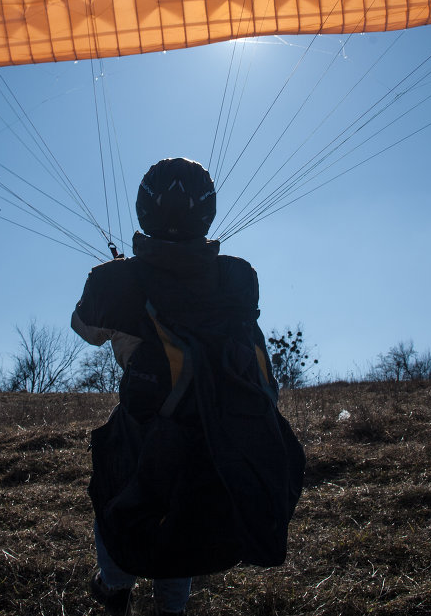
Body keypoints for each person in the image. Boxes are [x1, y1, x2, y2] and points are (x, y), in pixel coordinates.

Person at [72, 158, 304, 616]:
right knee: (184, 497)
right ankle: (170, 606)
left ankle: (115, 587)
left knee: (116, 484)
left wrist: (120, 278)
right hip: (222, 432)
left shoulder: (113, 281)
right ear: (208, 211)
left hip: (150, 429)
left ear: (143, 209)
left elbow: (85, 329)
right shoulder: (239, 277)